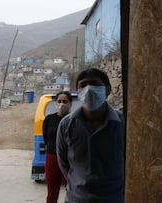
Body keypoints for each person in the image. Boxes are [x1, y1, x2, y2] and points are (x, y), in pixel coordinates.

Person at [56, 68, 124, 203]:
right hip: (77, 199)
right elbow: (64, 164)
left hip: (114, 198)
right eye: (83, 85)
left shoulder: (123, 123)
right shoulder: (66, 125)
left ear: (108, 90)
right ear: (78, 91)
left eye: (95, 84)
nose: (89, 89)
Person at [43, 91, 72, 203]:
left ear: (70, 103)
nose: (62, 104)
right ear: (55, 103)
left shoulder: (74, 119)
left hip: (71, 159)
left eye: (65, 101)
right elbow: (46, 138)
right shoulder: (49, 120)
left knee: (72, 190)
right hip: (52, 158)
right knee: (52, 193)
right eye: (59, 101)